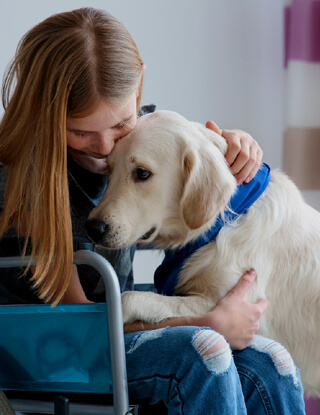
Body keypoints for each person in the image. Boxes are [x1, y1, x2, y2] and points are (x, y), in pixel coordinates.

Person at [0, 7, 305, 414]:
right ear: (45, 112)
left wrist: (233, 145)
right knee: (204, 349)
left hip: (115, 331)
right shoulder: (22, 183)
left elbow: (183, 159)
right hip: (57, 352)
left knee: (269, 361)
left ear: (140, 79)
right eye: (81, 132)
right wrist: (206, 322)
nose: (107, 147)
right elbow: (81, 326)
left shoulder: (134, 146)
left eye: (122, 123)